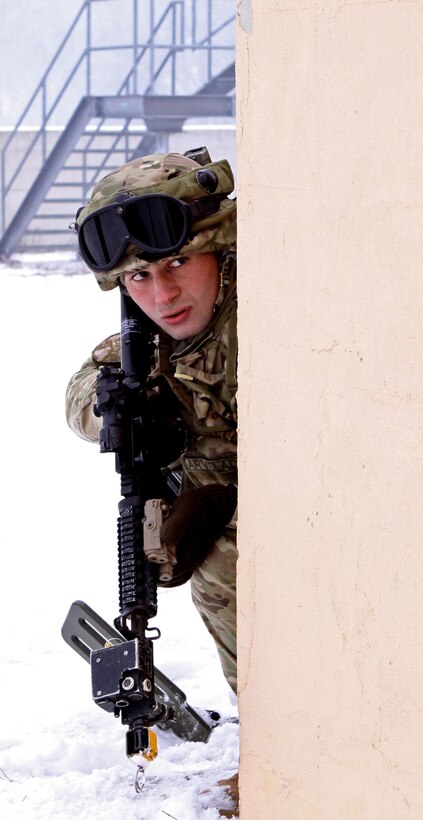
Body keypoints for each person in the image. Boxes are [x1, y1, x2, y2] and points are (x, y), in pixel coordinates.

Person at [65, 150, 239, 696]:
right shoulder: (146, 341)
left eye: (178, 264)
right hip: (219, 496)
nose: (161, 296)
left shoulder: (276, 314)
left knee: (225, 566)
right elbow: (82, 387)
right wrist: (115, 410)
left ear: (220, 248)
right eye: (139, 276)